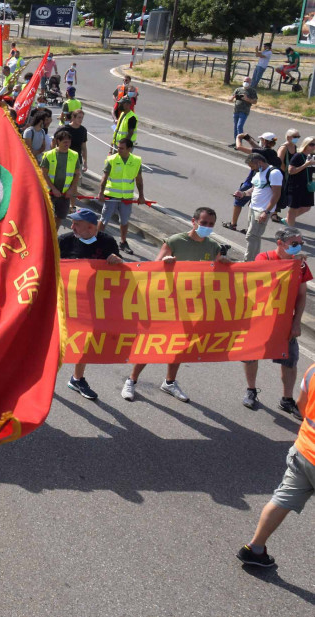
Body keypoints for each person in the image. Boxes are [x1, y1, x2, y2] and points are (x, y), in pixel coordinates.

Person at [121, 207, 235, 403]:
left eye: (210, 224)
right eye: (204, 223)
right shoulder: (175, 241)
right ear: (193, 221)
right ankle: (132, 380)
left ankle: (170, 382)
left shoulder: (213, 246)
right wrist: (165, 262)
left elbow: (218, 272)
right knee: (154, 343)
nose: (207, 227)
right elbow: (154, 266)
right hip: (167, 302)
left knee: (181, 345)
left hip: (192, 305)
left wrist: (226, 263)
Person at [236, 361, 315, 570]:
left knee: (282, 499)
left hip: (305, 449)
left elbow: (302, 405)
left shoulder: (313, 370)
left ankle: (255, 548)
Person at [58, 208, 123, 401]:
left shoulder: (107, 242)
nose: (72, 227)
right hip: (64, 300)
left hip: (92, 302)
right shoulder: (65, 241)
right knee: (53, 341)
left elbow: (120, 272)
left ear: (91, 227)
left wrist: (118, 261)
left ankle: (77, 378)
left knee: (84, 341)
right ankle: (41, 378)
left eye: (76, 224)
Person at [242, 227, 308, 416]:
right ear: (280, 243)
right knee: (251, 355)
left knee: (289, 359)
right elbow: (259, 283)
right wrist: (290, 266)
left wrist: (296, 322)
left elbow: (301, 295)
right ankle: (251, 390)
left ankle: (287, 399)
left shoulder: (301, 266)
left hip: (285, 321)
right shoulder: (264, 258)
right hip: (260, 319)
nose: (298, 247)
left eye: (300, 244)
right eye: (294, 244)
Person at [96, 136, 146, 254]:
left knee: (124, 221)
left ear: (129, 149)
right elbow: (104, 178)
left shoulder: (136, 161)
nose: (118, 150)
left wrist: (141, 196)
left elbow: (139, 180)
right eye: (118, 147)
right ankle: (97, 241)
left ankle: (123, 242)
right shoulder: (112, 159)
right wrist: (101, 193)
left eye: (122, 148)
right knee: (104, 219)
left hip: (126, 197)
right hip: (112, 196)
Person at [238, 152, 284, 259]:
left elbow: (277, 194)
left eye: (252, 166)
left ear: (259, 162)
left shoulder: (274, 173)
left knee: (251, 236)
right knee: (255, 236)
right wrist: (243, 193)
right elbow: (254, 189)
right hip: (253, 207)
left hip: (263, 210)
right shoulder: (258, 172)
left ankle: (248, 262)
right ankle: (255, 260)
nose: (251, 168)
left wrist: (266, 211)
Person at [40, 129, 80, 221]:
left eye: (69, 142)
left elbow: (77, 175)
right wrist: (53, 189)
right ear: (58, 141)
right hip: (50, 192)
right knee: (46, 217)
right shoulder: (48, 155)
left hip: (65, 194)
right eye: (65, 142)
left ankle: (55, 234)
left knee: (60, 217)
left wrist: (71, 190)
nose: (67, 144)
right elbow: (44, 174)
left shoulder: (74, 155)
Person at [285, 136, 315, 226]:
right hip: (296, 186)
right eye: (312, 144)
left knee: (307, 207)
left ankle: (289, 219)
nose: (314, 146)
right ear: (305, 145)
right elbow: (291, 171)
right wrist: (306, 164)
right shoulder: (298, 156)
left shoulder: (312, 156)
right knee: (293, 208)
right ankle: (290, 230)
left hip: (307, 186)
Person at [230, 77, 258, 146]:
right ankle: (236, 142)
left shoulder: (252, 91)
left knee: (239, 126)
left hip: (244, 111)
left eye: (248, 82)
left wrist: (247, 99)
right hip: (236, 110)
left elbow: (255, 101)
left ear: (250, 83)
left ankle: (240, 143)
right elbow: (229, 99)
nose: (246, 83)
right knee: (235, 126)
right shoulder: (238, 89)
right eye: (245, 81)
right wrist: (233, 97)